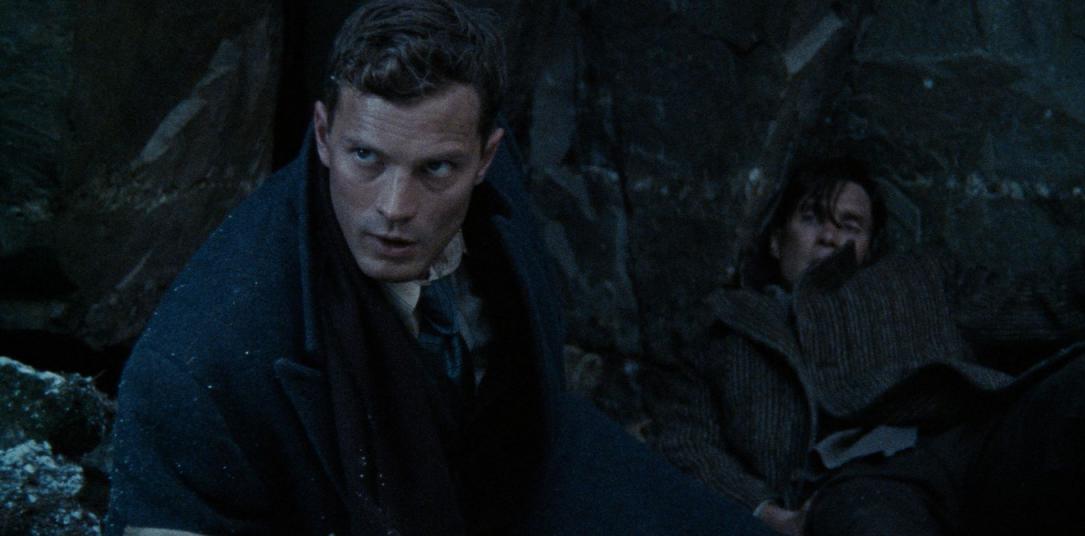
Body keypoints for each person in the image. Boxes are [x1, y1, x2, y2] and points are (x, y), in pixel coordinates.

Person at [107, 1, 772, 534]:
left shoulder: (495, 186)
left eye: (436, 169)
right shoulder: (199, 364)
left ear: (486, 158)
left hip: (525, 465)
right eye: (366, 158)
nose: (395, 208)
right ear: (323, 136)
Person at [647, 156, 1085, 535]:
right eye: (812, 217)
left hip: (971, 448)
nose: (830, 236)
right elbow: (683, 440)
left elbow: (1047, 300)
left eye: (850, 224)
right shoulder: (726, 330)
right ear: (776, 239)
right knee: (859, 525)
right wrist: (767, 514)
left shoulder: (921, 282)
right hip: (857, 488)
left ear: (871, 247)